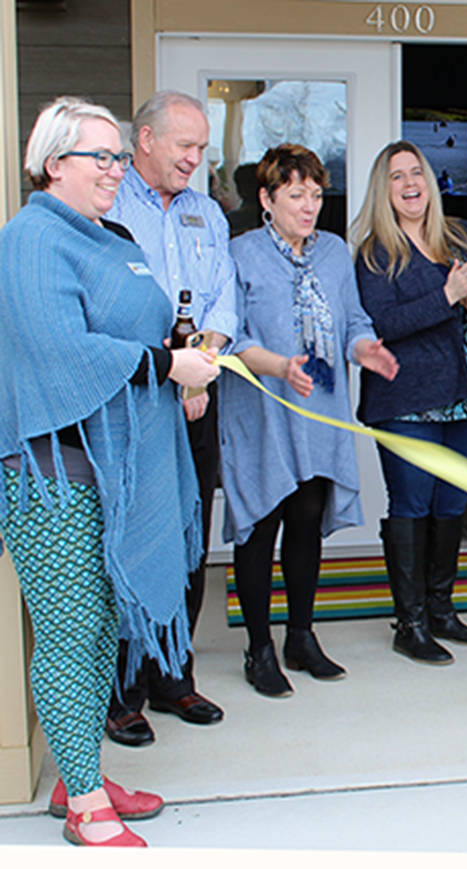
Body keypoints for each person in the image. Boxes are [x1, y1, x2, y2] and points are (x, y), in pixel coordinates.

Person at [0, 96, 219, 846]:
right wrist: (164, 364)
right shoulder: (29, 239)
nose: (117, 170)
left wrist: (186, 355)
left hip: (114, 467)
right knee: (71, 631)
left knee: (100, 634)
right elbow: (58, 350)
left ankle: (77, 773)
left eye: (122, 157)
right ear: (54, 162)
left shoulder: (109, 235)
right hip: (54, 473)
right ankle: (85, 804)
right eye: (103, 157)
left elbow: (146, 322)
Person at [221, 144, 399, 697]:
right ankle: (258, 649)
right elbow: (229, 334)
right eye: (295, 194)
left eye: (316, 194)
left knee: (305, 524)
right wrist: (279, 367)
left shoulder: (333, 253)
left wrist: (363, 347)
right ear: (267, 199)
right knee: (259, 528)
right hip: (263, 411)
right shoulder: (240, 254)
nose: (308, 206)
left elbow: (353, 319)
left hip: (319, 412)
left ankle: (300, 637)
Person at [352, 141, 467, 663]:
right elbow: (384, 324)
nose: (409, 184)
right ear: (383, 190)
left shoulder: (465, 236)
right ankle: (410, 623)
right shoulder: (374, 254)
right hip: (407, 405)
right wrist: (447, 297)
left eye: (416, 174)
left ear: (430, 181)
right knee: (412, 506)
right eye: (396, 177)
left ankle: (441, 610)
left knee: (452, 506)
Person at [101, 89, 234, 746]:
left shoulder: (208, 213)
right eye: (186, 145)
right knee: (133, 535)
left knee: (188, 534)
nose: (195, 158)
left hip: (197, 399)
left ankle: (172, 673)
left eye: (202, 147)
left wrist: (203, 363)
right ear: (145, 141)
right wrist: (170, 370)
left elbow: (223, 303)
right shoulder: (104, 209)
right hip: (131, 403)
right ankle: (123, 690)